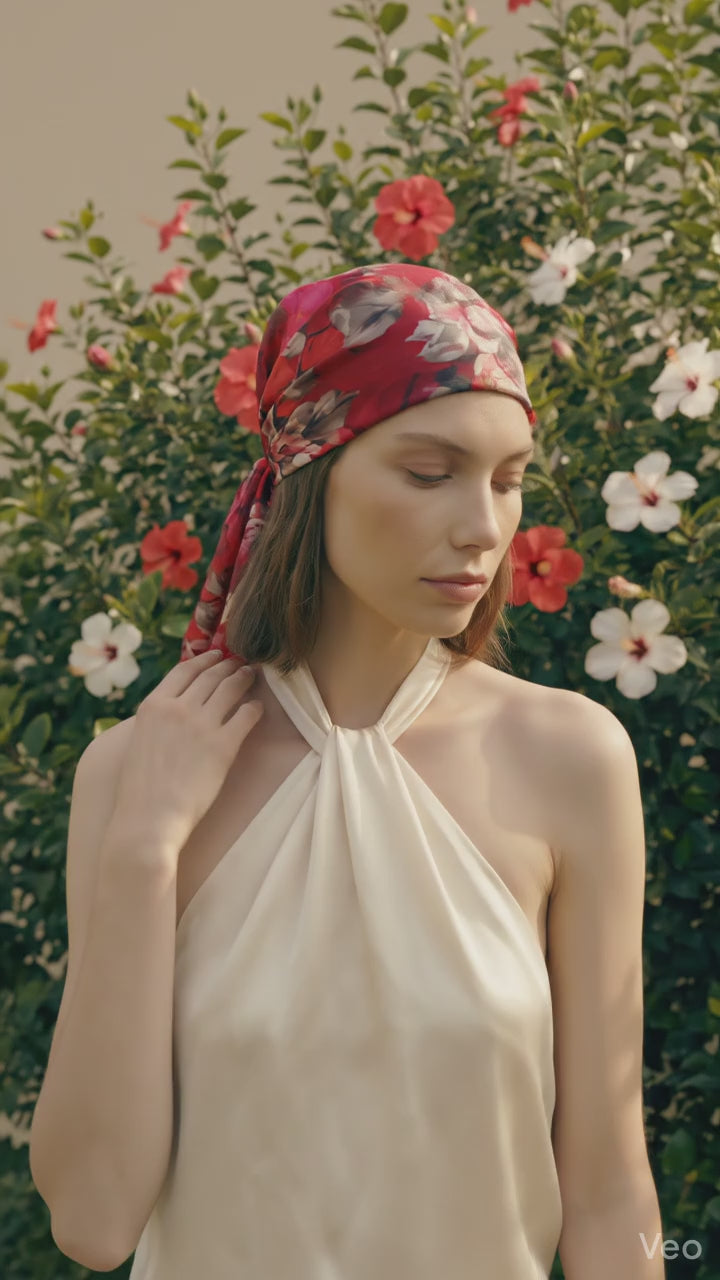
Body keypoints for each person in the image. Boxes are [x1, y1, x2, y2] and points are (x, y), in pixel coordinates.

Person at [126, 262, 565, 1278]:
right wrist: (140, 850)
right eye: (430, 472)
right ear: (309, 473)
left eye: (508, 480)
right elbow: (95, 1218)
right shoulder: (143, 773)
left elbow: (612, 1193)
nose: (484, 527)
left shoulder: (565, 759)